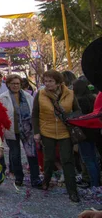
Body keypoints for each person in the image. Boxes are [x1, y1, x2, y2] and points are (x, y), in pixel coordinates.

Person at [33, 69, 81, 202]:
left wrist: (70, 116)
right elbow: (35, 114)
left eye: (50, 81)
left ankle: (72, 191)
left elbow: (78, 110)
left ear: (59, 83)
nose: (47, 84)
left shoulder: (70, 93)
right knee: (48, 159)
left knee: (67, 160)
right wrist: (36, 132)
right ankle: (46, 181)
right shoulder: (40, 94)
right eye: (45, 81)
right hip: (47, 131)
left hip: (64, 131)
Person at [0, 74, 42, 189]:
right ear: (8, 84)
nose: (15, 86)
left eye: (17, 83)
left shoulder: (28, 96)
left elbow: (34, 113)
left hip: (27, 130)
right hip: (12, 130)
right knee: (15, 154)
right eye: (13, 84)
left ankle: (35, 178)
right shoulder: (3, 97)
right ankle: (19, 177)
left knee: (32, 154)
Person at [72, 79, 101, 188]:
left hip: (83, 133)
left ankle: (94, 184)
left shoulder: (79, 100)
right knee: (93, 158)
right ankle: (96, 181)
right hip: (94, 132)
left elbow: (79, 117)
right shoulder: (92, 98)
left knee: (88, 159)